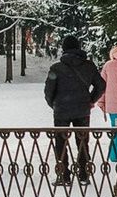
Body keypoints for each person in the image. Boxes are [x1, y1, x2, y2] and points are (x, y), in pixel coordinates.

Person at [42, 38, 104, 185]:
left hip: (62, 110)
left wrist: (55, 104)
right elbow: (101, 86)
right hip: (82, 110)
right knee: (83, 141)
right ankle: (84, 174)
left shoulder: (57, 68)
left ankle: (64, 175)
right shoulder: (88, 66)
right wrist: (91, 100)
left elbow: (48, 91)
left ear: (63, 49)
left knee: (61, 142)